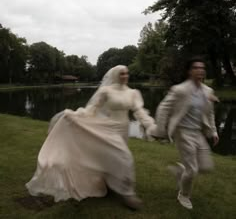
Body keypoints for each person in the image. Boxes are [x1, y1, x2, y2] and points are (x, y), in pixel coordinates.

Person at [26, 65, 157, 209]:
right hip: (109, 128)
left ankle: (110, 184)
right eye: (122, 74)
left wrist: (150, 125)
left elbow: (139, 111)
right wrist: (75, 115)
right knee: (125, 157)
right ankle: (128, 194)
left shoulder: (133, 93)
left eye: (127, 73)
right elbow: (92, 109)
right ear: (115, 75)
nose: (125, 76)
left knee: (112, 157)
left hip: (123, 129)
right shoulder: (106, 91)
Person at [155, 57, 219, 210]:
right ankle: (184, 195)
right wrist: (161, 130)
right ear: (190, 71)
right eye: (196, 67)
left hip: (198, 133)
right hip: (182, 132)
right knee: (193, 170)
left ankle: (180, 171)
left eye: (202, 68)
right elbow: (163, 108)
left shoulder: (208, 91)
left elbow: (209, 114)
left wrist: (214, 131)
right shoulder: (180, 90)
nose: (200, 70)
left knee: (206, 166)